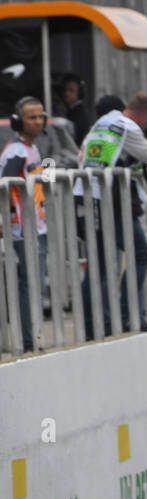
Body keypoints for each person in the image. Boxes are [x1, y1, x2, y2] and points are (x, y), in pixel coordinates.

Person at [77, 91, 147, 338]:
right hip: (111, 200)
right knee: (142, 254)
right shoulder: (128, 126)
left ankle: (97, 324)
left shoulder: (105, 121)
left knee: (98, 265)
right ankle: (127, 315)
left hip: (93, 196)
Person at [3, 96, 48, 352]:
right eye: (32, 117)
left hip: (36, 227)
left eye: (41, 116)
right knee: (31, 285)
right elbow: (6, 184)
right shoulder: (17, 151)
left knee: (35, 285)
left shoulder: (32, 149)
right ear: (19, 121)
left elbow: (41, 176)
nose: (38, 121)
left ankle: (31, 337)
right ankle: (28, 340)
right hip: (23, 230)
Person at [52, 74, 93, 145]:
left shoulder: (79, 114)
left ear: (79, 92)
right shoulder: (70, 111)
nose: (66, 94)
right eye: (65, 90)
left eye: (71, 90)